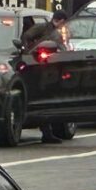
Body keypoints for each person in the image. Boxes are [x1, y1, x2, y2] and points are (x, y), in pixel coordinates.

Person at [20, 10, 69, 143]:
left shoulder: (55, 32)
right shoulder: (42, 28)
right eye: (63, 23)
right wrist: (29, 52)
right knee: (42, 97)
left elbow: (61, 48)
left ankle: (48, 133)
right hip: (38, 67)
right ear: (61, 20)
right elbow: (26, 36)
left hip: (50, 67)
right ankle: (46, 132)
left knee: (47, 99)